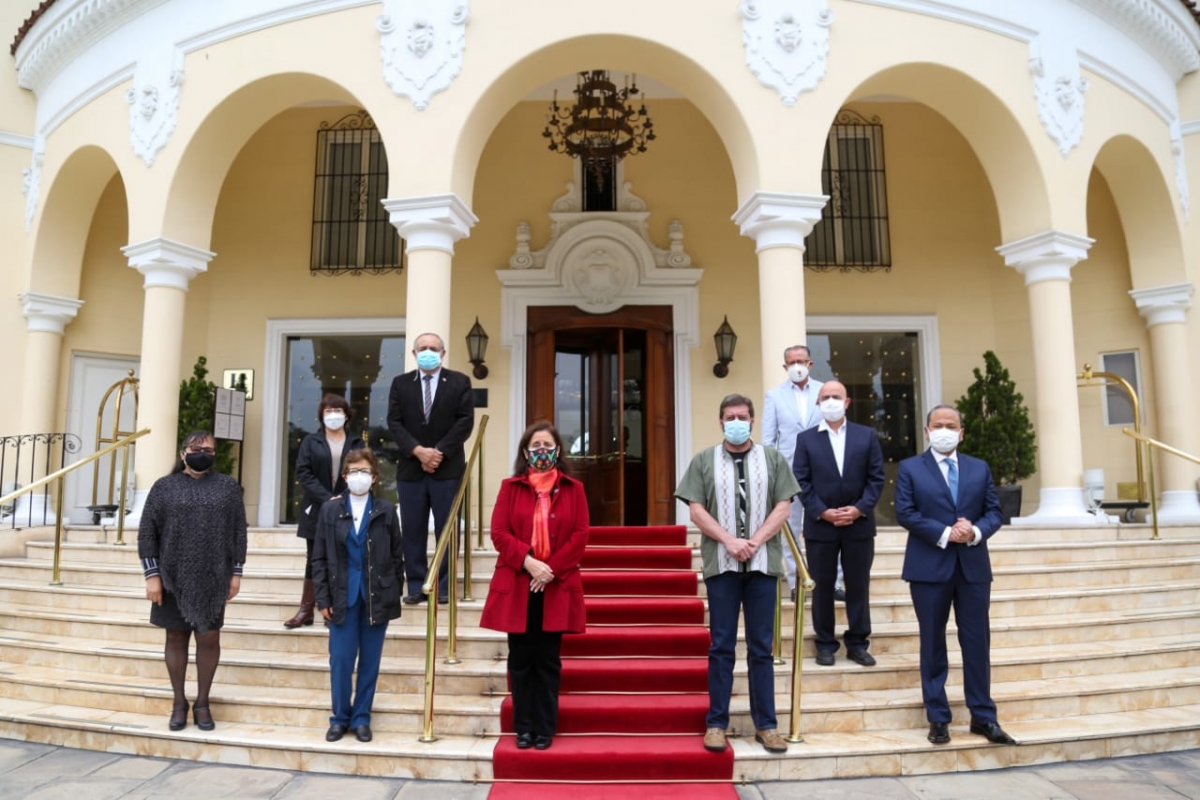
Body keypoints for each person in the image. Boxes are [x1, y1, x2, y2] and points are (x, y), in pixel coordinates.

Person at [675, 394, 797, 756]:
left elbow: (784, 506)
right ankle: (716, 723)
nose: (736, 422)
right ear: (721, 422)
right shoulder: (704, 460)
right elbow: (696, 510)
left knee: (761, 648)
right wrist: (729, 541)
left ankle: (767, 726)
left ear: (753, 421)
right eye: (730, 417)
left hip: (762, 566)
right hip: (722, 566)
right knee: (721, 646)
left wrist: (754, 541)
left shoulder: (772, 459)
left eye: (742, 416)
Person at [894, 405, 1016, 746]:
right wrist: (947, 533)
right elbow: (905, 512)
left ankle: (983, 716)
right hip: (928, 568)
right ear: (927, 431)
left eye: (951, 425)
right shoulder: (910, 468)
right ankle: (938, 717)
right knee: (933, 643)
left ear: (961, 432)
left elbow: (994, 511)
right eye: (938, 425)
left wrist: (974, 531)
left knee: (977, 642)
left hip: (973, 569)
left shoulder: (979, 468)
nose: (944, 430)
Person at [480, 421, 589, 751]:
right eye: (536, 446)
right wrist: (529, 562)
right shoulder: (510, 488)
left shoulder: (573, 489)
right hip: (518, 582)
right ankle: (523, 728)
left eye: (547, 445)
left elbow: (580, 535)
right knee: (520, 659)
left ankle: (545, 727)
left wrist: (549, 570)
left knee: (547, 659)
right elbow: (499, 533)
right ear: (526, 453)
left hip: (555, 584)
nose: (542, 451)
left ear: (558, 450)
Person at [138, 430, 247, 732]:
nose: (203, 454)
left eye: (209, 450)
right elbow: (147, 532)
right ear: (183, 453)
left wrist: (236, 572)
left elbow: (238, 532)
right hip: (172, 578)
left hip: (214, 577)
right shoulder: (164, 487)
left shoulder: (227, 487)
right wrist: (152, 575)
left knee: (209, 638)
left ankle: (202, 702)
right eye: (197, 448)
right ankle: (178, 702)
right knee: (175, 638)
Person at [311, 447, 404, 744]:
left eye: (365, 471)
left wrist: (393, 592)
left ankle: (362, 716)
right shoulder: (330, 510)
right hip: (341, 596)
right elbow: (319, 558)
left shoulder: (386, 510)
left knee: (370, 661)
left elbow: (397, 556)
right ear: (344, 476)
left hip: (376, 596)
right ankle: (340, 717)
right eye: (354, 471)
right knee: (340, 660)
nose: (359, 476)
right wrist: (322, 599)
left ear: (374, 477)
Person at [792, 380, 885, 668]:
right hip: (821, 526)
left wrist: (859, 510)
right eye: (825, 397)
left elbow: (876, 478)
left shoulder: (866, 436)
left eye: (836, 396)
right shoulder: (806, 439)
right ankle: (825, 644)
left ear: (847, 402)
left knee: (858, 586)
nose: (830, 401)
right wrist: (822, 511)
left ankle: (858, 643)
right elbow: (801, 481)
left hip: (859, 525)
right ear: (818, 403)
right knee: (822, 587)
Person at [387, 332, 475, 605]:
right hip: (411, 470)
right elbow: (394, 422)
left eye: (433, 348)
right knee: (412, 529)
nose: (428, 352)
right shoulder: (400, 384)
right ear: (414, 354)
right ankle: (416, 585)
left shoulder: (460, 382)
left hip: (447, 468)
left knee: (447, 529)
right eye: (423, 348)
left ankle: (444, 585)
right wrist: (418, 451)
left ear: (443, 353)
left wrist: (438, 452)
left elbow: (465, 421)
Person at [286, 394, 365, 629]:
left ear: (346, 415)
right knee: (315, 558)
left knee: (341, 558)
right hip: (316, 508)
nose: (333, 415)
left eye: (338, 410)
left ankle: (334, 611)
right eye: (328, 410)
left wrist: (344, 496)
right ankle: (306, 609)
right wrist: (327, 498)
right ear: (322, 415)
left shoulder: (356, 442)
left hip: (348, 507)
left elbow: (362, 470)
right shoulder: (311, 442)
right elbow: (303, 473)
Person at [761, 344, 824, 601]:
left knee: (826, 527)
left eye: (801, 361)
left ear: (810, 364)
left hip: (823, 470)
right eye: (792, 362)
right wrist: (772, 473)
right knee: (790, 527)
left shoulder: (824, 391)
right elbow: (768, 439)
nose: (797, 366)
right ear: (785, 366)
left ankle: (832, 582)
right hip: (788, 471)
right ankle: (796, 581)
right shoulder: (774, 396)